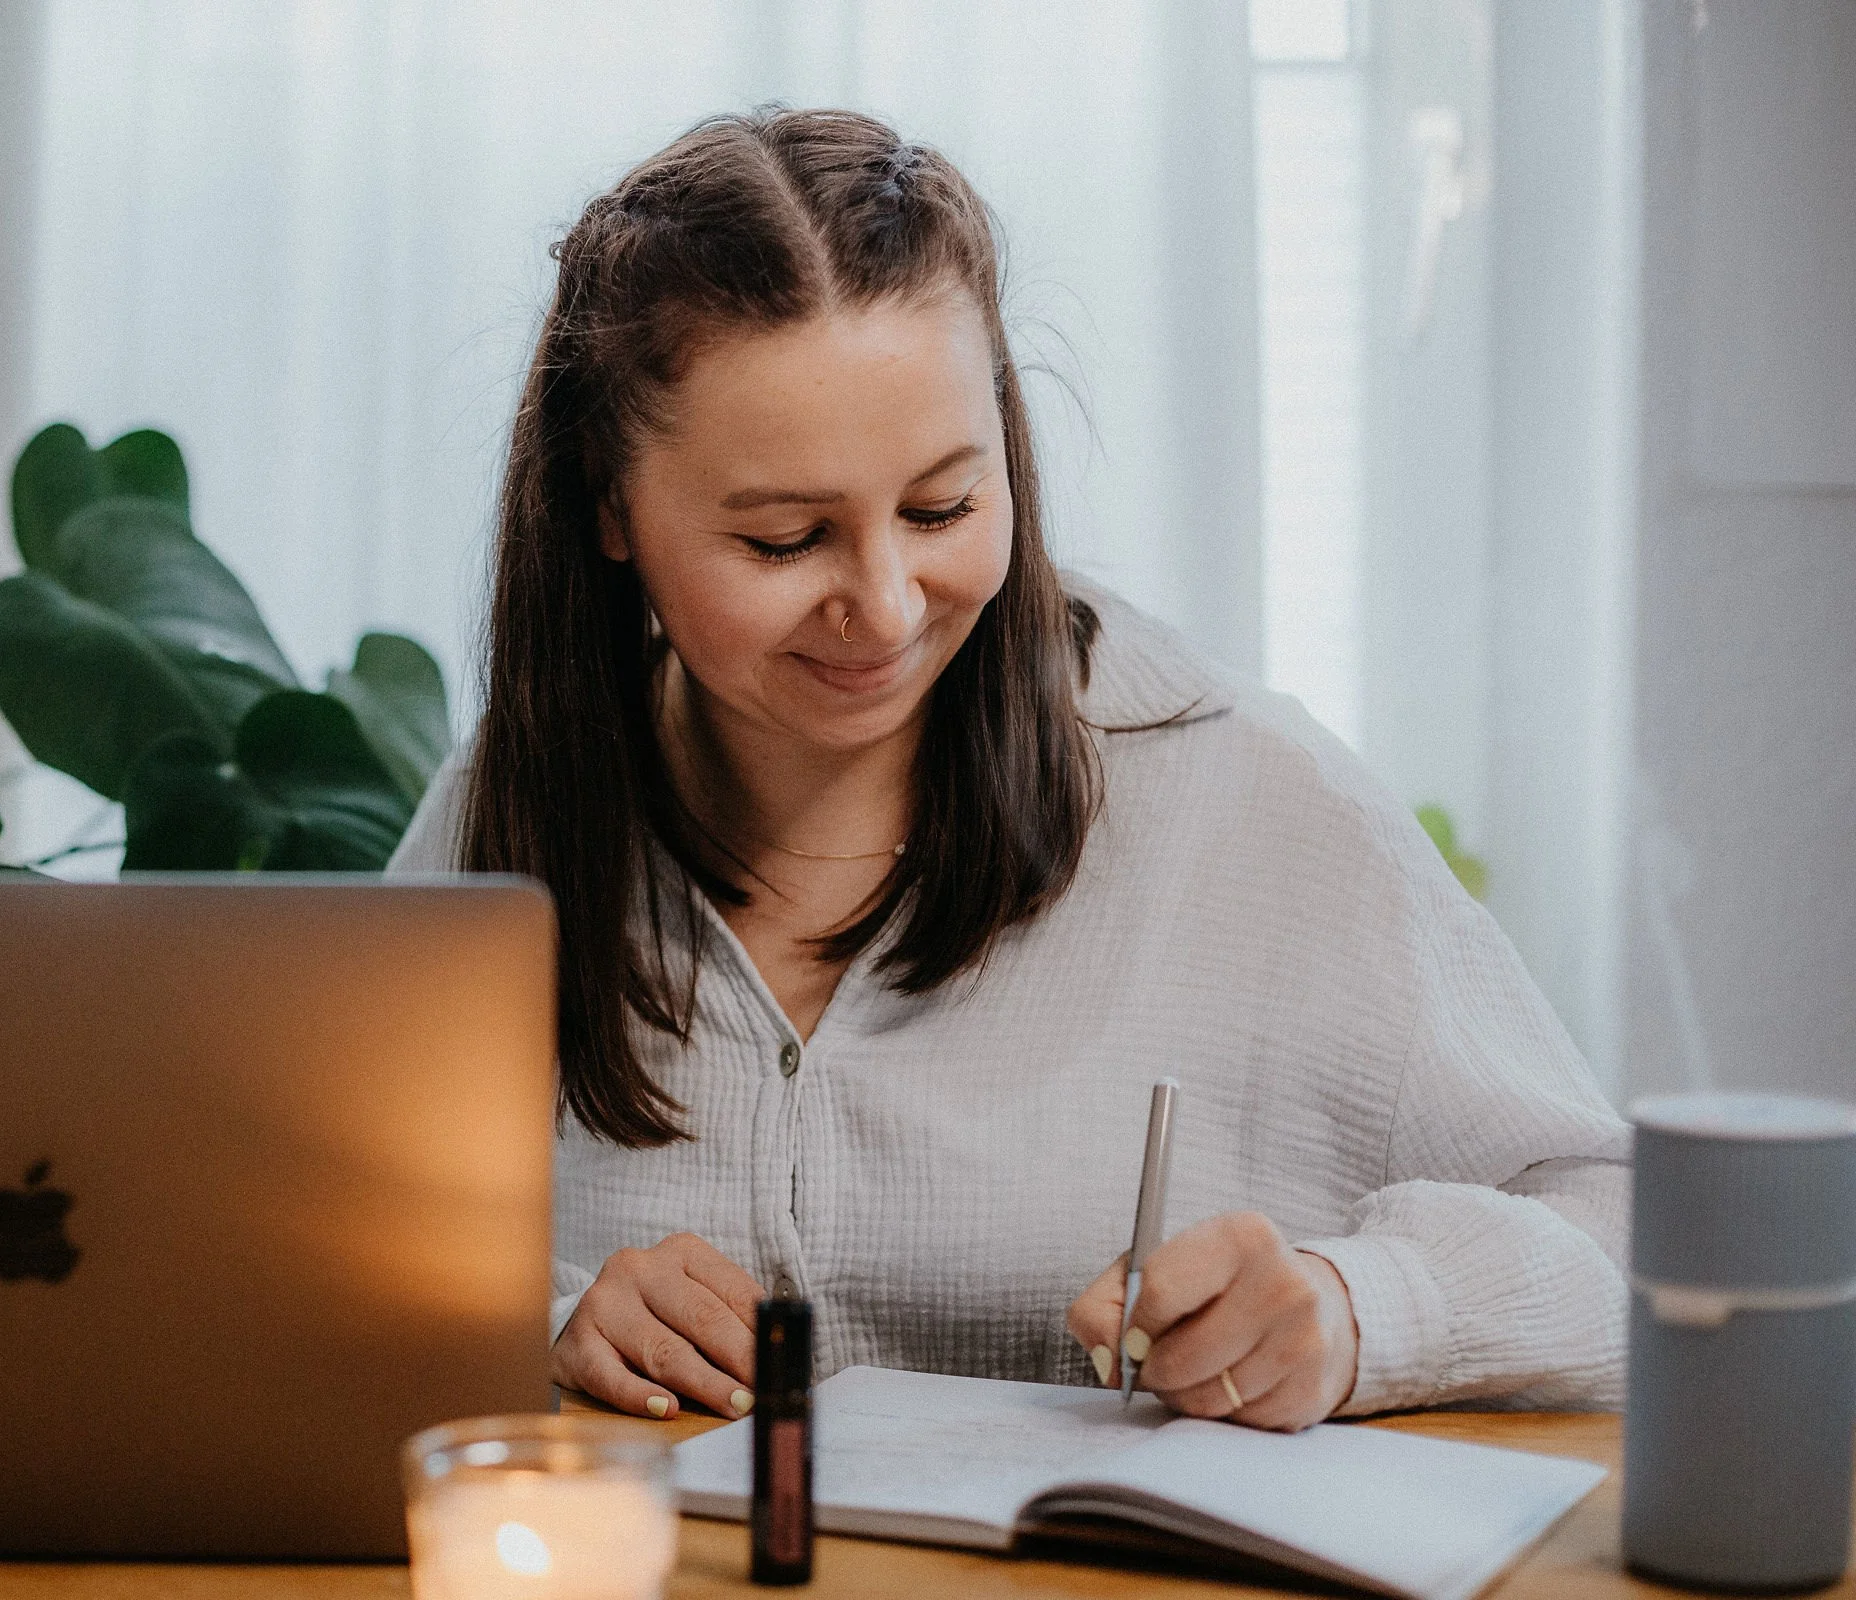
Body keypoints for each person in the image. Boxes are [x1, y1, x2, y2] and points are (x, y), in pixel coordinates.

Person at [388, 107, 1627, 1432]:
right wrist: (554, 1319)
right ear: (609, 508)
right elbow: (321, 1244)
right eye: (784, 539)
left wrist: (1354, 1306)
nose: (884, 604)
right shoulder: (503, 812)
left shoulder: (1248, 798)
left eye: (942, 508)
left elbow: (1625, 1226)